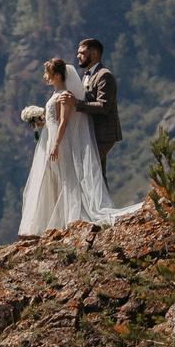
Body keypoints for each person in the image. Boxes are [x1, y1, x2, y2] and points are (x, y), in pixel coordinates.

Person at [19, 56, 140, 236]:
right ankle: (50, 222)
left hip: (58, 141)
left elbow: (63, 123)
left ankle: (66, 219)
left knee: (65, 178)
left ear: (58, 75)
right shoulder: (56, 94)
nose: (45, 76)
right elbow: (53, 121)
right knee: (52, 179)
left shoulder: (64, 96)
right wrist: (40, 124)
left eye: (48, 73)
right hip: (50, 138)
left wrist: (56, 144)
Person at [73, 37, 122, 174]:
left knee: (88, 171)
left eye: (82, 53)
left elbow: (103, 106)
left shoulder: (104, 76)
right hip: (92, 133)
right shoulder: (87, 76)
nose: (78, 56)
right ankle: (101, 196)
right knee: (97, 176)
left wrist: (76, 104)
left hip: (103, 134)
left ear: (94, 54)